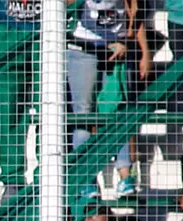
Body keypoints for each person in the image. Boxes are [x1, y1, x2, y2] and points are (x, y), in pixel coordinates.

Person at [68, 1, 144, 200]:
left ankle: (126, 178)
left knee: (117, 113)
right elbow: (66, 6)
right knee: (83, 115)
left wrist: (128, 41)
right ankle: (86, 179)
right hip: (83, 48)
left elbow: (134, 9)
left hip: (117, 49)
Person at [0, 0, 38, 193]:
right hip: (7, 27)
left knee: (49, 107)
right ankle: (13, 180)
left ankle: (46, 175)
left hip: (47, 29)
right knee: (8, 110)